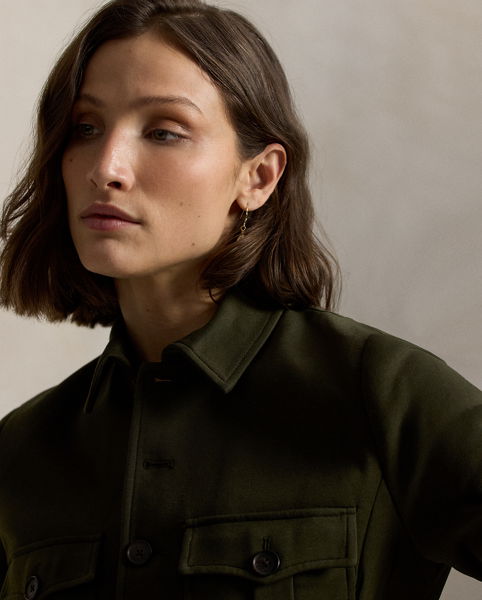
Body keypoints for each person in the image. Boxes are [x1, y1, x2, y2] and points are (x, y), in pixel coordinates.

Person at [0, 0, 480, 598]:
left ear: (259, 177)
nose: (106, 168)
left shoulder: (380, 392)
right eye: (85, 128)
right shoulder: (21, 450)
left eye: (164, 131)